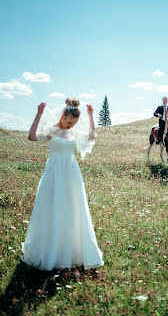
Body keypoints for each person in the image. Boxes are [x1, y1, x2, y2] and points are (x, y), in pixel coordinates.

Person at [21, 98, 104, 271]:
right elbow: (31, 137)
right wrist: (39, 113)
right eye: (68, 122)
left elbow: (91, 136)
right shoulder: (52, 130)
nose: (70, 126)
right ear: (62, 116)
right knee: (51, 208)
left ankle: (72, 250)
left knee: (73, 208)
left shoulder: (73, 133)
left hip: (71, 173)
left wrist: (90, 115)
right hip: (53, 173)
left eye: (73, 123)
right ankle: (50, 250)